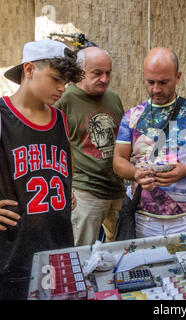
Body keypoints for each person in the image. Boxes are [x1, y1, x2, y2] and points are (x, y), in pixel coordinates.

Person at [0, 39, 83, 299]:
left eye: (66, 82)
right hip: (11, 256)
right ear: (28, 70)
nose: (61, 88)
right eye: (56, 78)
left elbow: (55, 168)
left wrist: (63, 191)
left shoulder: (60, 120)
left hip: (58, 248)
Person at [113, 47, 186, 238]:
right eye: (150, 82)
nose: (156, 89)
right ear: (144, 75)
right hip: (144, 219)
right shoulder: (132, 115)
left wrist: (185, 170)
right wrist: (136, 174)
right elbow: (118, 160)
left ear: (177, 77)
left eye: (163, 82)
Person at [55, 47, 125, 246]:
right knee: (81, 254)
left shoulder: (113, 99)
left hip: (116, 190)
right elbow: (54, 149)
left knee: (116, 253)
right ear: (80, 71)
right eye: (97, 73)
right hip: (85, 192)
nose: (104, 79)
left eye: (108, 73)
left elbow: (121, 140)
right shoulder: (64, 100)